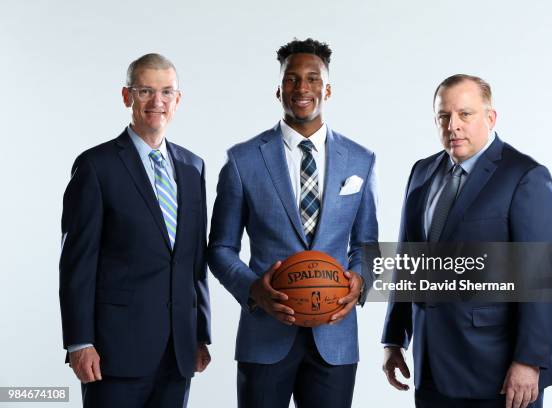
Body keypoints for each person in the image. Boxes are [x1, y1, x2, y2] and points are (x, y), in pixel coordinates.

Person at [208, 38, 378, 408]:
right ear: (278, 89)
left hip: (335, 336)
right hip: (265, 334)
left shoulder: (360, 160)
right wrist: (255, 291)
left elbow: (366, 245)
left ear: (327, 89)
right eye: (292, 79)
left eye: (313, 79)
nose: (302, 88)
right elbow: (220, 248)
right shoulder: (242, 160)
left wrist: (359, 281)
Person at [381, 74, 552, 408]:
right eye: (443, 116)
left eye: (465, 114)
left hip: (498, 369)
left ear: (490, 117)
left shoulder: (525, 177)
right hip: (432, 366)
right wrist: (394, 339)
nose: (453, 126)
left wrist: (529, 361)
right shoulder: (421, 173)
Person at [59, 53, 211, 408]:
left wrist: (200, 333)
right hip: (114, 352)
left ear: (178, 99)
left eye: (166, 92)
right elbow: (76, 263)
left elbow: (194, 261)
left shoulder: (193, 167)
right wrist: (80, 342)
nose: (156, 102)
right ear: (127, 96)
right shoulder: (96, 166)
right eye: (145, 91)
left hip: (178, 351)